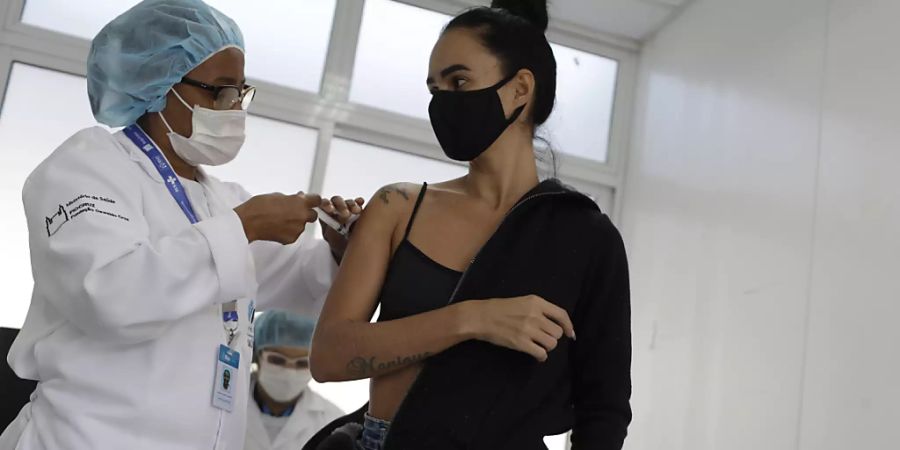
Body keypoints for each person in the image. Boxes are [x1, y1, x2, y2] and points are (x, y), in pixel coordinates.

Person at [0, 1, 362, 449]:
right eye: (219, 92)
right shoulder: (87, 167)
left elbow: (297, 279)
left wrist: (338, 250)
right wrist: (244, 227)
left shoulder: (220, 198)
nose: (234, 110)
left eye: (240, 93)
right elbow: (112, 295)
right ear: (159, 86)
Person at [307, 1, 632, 449]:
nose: (443, 102)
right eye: (434, 88)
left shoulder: (584, 236)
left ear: (520, 88)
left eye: (459, 81)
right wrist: (473, 318)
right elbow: (329, 356)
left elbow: (605, 410)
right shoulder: (399, 206)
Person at [244, 311, 343, 450]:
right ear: (255, 357)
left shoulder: (332, 422)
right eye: (277, 359)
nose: (289, 372)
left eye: (302, 363)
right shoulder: (223, 405)